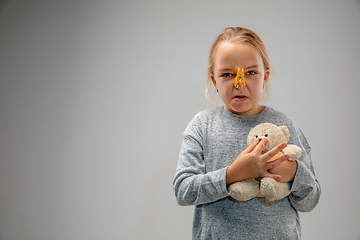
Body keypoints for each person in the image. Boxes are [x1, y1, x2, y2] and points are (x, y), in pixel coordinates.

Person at [173, 27, 321, 239]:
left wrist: (294, 172)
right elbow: (183, 190)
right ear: (214, 80)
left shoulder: (285, 125)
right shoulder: (202, 126)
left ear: (265, 77)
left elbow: (310, 200)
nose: (239, 83)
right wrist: (233, 174)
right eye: (227, 74)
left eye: (250, 72)